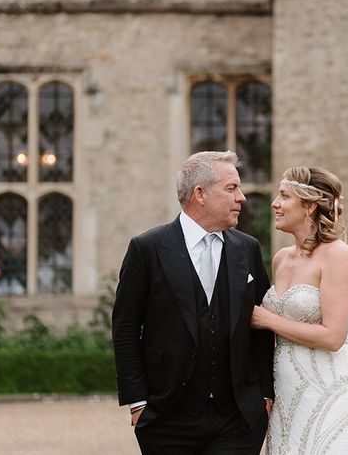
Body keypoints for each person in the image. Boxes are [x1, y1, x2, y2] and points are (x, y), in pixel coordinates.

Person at [112, 150, 275, 454]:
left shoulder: (248, 248)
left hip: (238, 420)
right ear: (200, 194)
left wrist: (264, 395)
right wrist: (138, 403)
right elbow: (125, 327)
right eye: (231, 188)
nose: (241, 198)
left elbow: (261, 324)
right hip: (167, 417)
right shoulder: (147, 249)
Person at [251, 166, 348, 454]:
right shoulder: (280, 259)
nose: (274, 204)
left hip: (330, 386)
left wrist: (268, 319)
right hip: (287, 394)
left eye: (284, 196)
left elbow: (333, 336)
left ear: (310, 206)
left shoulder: (338, 254)